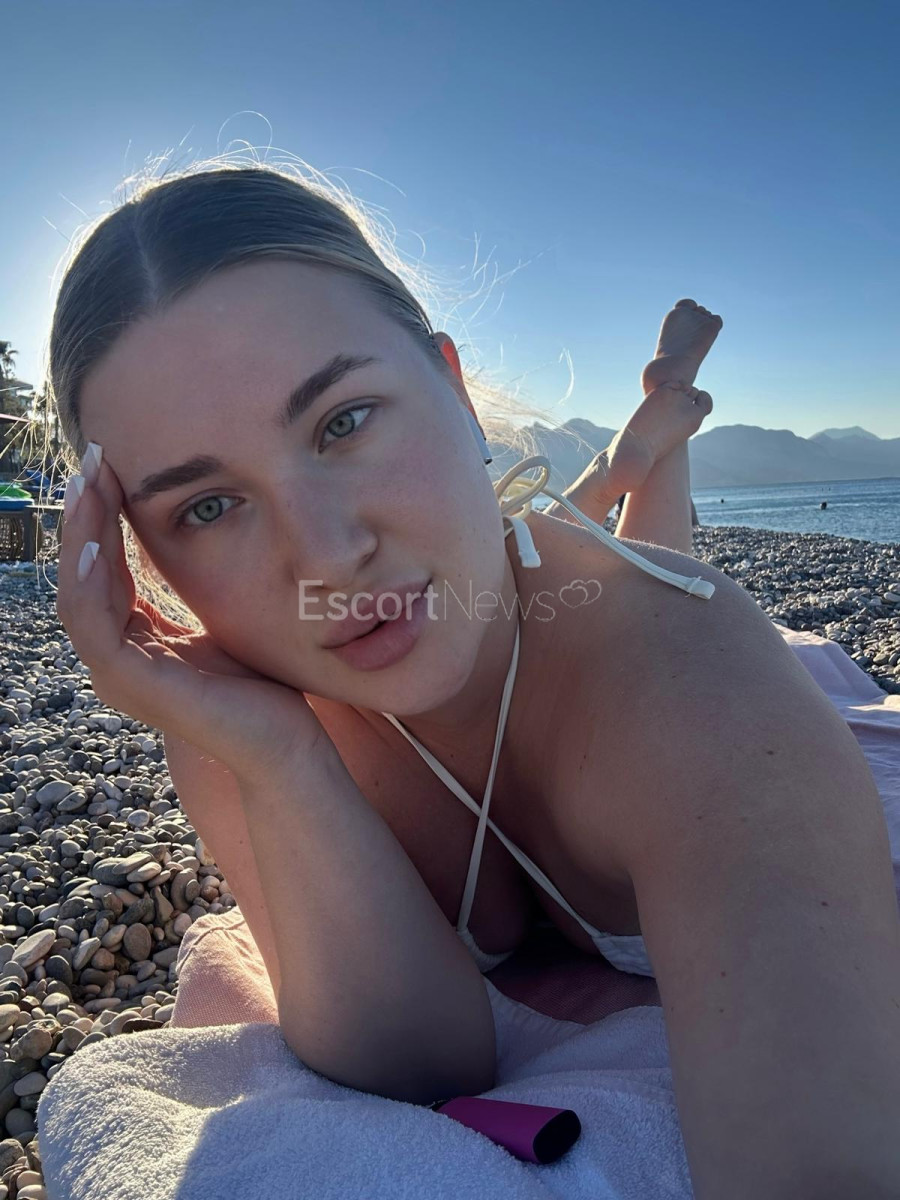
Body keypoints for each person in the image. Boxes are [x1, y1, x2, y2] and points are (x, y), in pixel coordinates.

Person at [48, 164, 900, 1198]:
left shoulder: (692, 686)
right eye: (207, 507)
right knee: (573, 548)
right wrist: (281, 760)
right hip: (526, 590)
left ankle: (662, 414)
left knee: (639, 574)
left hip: (657, 646)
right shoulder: (235, 714)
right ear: (140, 553)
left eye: (344, 421)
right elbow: (422, 1064)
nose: (327, 557)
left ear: (452, 386)